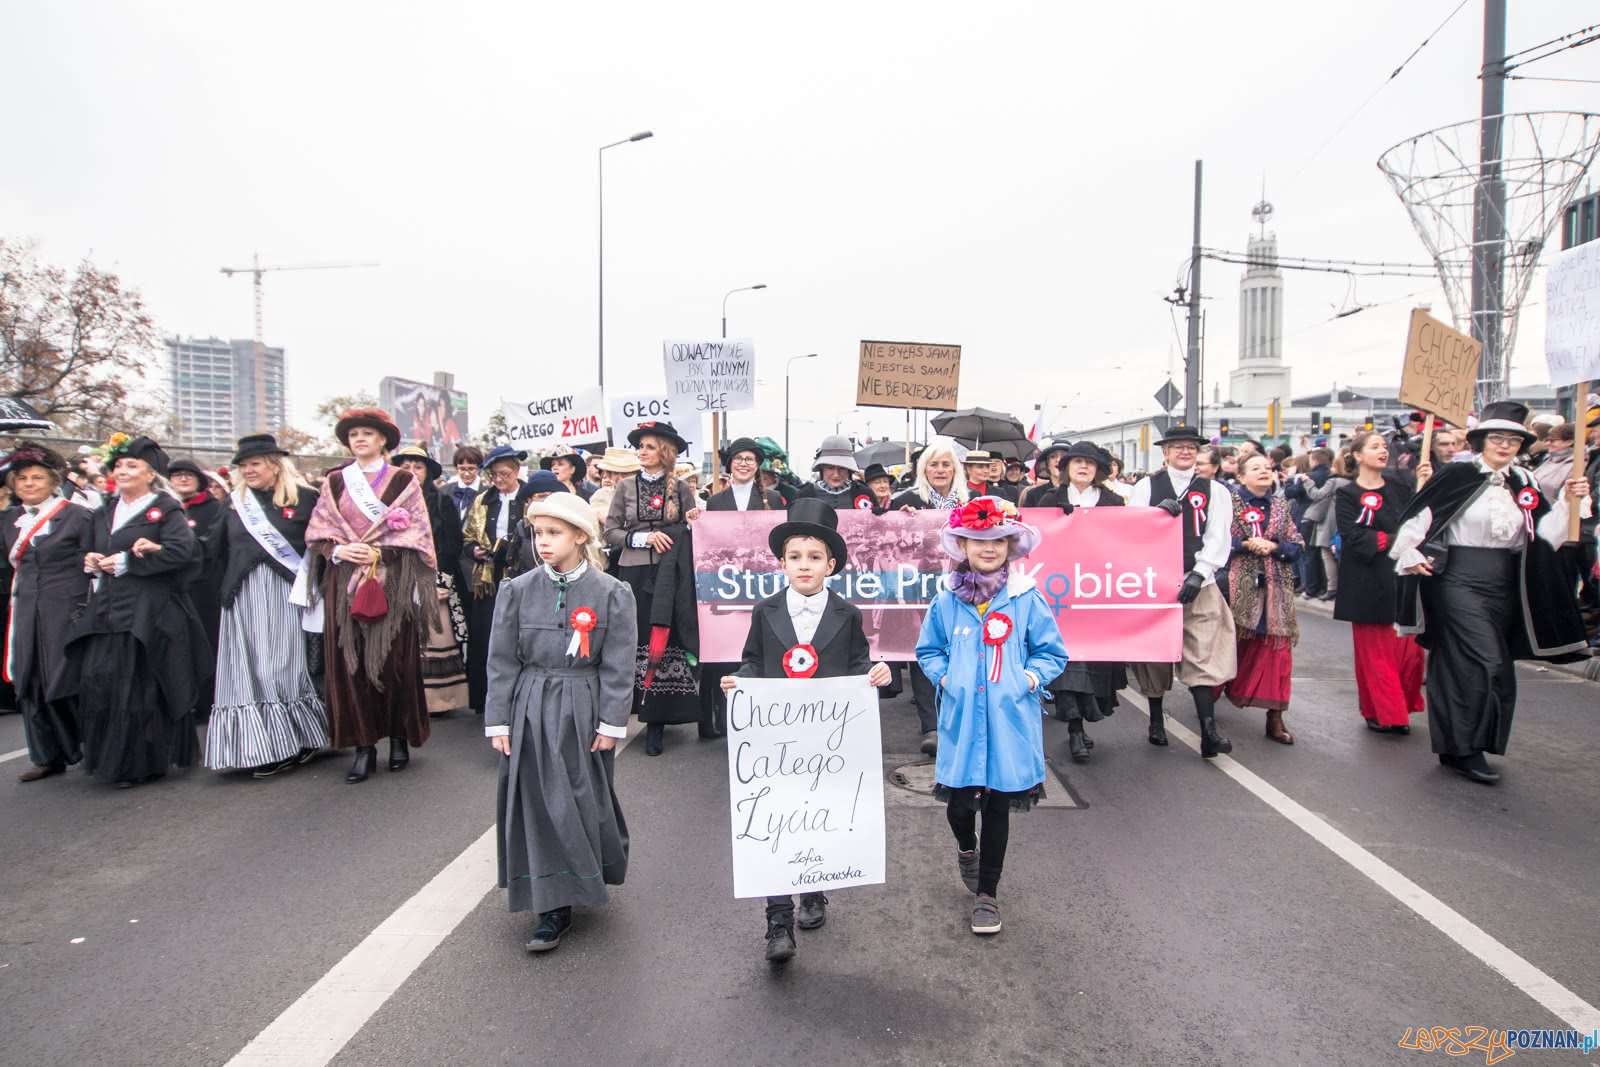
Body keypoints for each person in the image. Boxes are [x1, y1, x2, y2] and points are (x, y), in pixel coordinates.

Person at [720, 498, 892, 962]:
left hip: (827, 740)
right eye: (795, 557)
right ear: (781, 563)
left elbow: (858, 665)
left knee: (818, 813)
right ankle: (778, 920)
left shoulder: (848, 614)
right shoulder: (765, 610)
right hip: (777, 738)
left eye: (815, 558)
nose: (804, 565)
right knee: (776, 816)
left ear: (831, 565)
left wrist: (877, 675)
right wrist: (741, 680)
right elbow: (754, 660)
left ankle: (815, 885)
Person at [1391, 401, 1588, 784]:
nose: (1505, 445)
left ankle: (1458, 745)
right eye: (1497, 437)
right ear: (1481, 440)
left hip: (1505, 582)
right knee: (1483, 659)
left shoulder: (1524, 482)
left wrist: (1571, 501)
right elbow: (1419, 518)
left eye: (1513, 439)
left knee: (1484, 664)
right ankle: (1468, 749)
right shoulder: (1458, 474)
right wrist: (1411, 552)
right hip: (1457, 580)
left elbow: (1545, 534)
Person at [486, 492, 634, 953]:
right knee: (535, 799)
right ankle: (552, 905)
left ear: (580, 536)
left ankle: (587, 875)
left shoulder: (612, 593)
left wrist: (611, 722)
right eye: (537, 533)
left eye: (554, 533)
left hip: (582, 704)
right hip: (531, 702)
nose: (543, 542)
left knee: (578, 795)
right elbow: (501, 661)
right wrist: (499, 721)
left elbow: (618, 664)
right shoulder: (516, 590)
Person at [916, 497, 1068, 936]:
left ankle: (987, 895)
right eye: (978, 540)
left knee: (998, 805)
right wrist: (946, 678)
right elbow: (928, 650)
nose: (988, 548)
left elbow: (1052, 652)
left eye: (998, 541)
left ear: (1010, 546)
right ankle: (967, 847)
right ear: (962, 545)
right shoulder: (946, 600)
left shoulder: (1026, 598)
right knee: (961, 808)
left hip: (1009, 722)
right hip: (962, 722)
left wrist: (1027, 680)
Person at [304, 409, 438, 784]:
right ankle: (363, 745)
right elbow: (319, 531)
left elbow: (419, 535)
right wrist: (338, 551)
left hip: (391, 581)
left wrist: (382, 553)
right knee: (351, 665)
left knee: (394, 660)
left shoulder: (403, 481)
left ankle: (399, 738)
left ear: (383, 440)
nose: (359, 439)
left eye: (367, 433)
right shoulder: (334, 482)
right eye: (354, 434)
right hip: (345, 581)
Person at [69, 435, 208, 787]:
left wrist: (131, 562)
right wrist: (90, 561)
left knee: (138, 686)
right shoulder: (103, 510)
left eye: (132, 466)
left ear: (150, 474)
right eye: (119, 466)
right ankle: (114, 756)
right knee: (101, 682)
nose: (123, 471)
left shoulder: (165, 507)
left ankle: (140, 761)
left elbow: (183, 553)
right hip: (107, 610)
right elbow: (87, 551)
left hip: (147, 612)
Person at [204, 434, 329, 776]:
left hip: (286, 595)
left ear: (275, 465)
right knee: (245, 671)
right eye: (243, 466)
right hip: (242, 597)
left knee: (280, 667)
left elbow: (324, 545)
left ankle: (291, 740)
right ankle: (263, 743)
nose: (248, 470)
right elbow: (211, 548)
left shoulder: (306, 499)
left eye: (255, 463)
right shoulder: (234, 503)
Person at [1127, 425, 1238, 756]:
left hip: (1197, 582)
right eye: (1177, 446)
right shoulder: (1146, 487)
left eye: (1190, 447)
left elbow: (1219, 535)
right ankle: (1156, 719)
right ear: (1165, 452)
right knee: (1155, 655)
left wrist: (1201, 572)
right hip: (1156, 582)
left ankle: (1208, 730)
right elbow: (1130, 530)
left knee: (1202, 650)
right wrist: (1155, 516)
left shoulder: (1215, 491)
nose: (1185, 452)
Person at [603, 421, 702, 756]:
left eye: (647, 446)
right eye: (639, 446)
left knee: (662, 639)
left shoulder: (680, 487)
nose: (641, 452)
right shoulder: (626, 487)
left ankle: (656, 722)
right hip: (633, 571)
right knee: (635, 638)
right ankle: (628, 709)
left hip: (667, 574)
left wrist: (693, 519)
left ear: (664, 450)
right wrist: (641, 537)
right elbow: (610, 531)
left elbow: (693, 528)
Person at [2, 442, 94, 781]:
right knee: (30, 678)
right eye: (21, 478)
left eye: (36, 477)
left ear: (53, 480)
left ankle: (89, 746)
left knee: (68, 676)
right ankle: (46, 756)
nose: (28, 483)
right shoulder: (9, 519)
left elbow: (92, 561)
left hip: (66, 606)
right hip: (25, 606)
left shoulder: (78, 515)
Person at [1031, 442, 1128, 760]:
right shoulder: (1051, 499)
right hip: (1060, 593)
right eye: (1076, 462)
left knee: (1093, 661)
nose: (1082, 467)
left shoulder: (1113, 501)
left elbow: (1129, 539)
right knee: (1066, 660)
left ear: (1099, 469)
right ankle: (1074, 728)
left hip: (1099, 591)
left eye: (1089, 462)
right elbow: (1037, 541)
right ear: (1066, 468)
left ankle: (1083, 719)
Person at [1332, 431, 1423, 735]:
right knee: (1377, 653)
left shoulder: (1401, 485)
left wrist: (1426, 483)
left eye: (1385, 447)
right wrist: (1398, 540)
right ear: (1358, 455)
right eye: (1375, 447)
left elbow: (1419, 519)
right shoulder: (1346, 493)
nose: (1383, 451)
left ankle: (1401, 705)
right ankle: (1382, 712)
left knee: (1410, 651)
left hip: (1402, 575)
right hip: (1367, 579)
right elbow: (1353, 535)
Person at [699, 437, 785, 740]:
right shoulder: (715, 500)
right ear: (730, 464)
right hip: (727, 581)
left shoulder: (772, 499)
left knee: (757, 645)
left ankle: (758, 713)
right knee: (726, 648)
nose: (744, 464)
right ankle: (724, 715)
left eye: (750, 459)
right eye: (739, 459)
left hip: (760, 581)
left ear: (757, 464)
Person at [889, 438, 969, 754]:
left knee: (961, 652)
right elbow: (893, 541)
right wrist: (901, 519)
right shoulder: (908, 499)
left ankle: (959, 723)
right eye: (933, 464)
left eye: (945, 464)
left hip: (963, 589)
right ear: (924, 469)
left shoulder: (970, 500)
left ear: (955, 469)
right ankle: (932, 726)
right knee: (927, 653)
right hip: (921, 590)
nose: (940, 469)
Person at [1218, 453, 1303, 743]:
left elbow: (1297, 543)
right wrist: (1243, 544)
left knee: (1278, 654)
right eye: (1256, 468)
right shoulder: (1227, 503)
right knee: (1233, 645)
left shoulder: (1281, 506)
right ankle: (1216, 690)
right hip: (1238, 587)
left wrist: (1276, 546)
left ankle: (1275, 718)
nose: (1264, 471)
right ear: (1240, 476)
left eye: (1267, 468)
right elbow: (1215, 541)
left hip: (1276, 590)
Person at [394, 445, 469, 717]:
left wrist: (441, 581)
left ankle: (436, 701)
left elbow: (452, 546)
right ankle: (402, 697)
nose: (412, 472)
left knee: (434, 636)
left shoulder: (441, 501)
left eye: (418, 467)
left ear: (427, 472)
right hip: (397, 577)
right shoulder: (386, 501)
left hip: (432, 576)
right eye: (406, 467)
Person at [461, 445, 536, 714]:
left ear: (516, 471)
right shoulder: (483, 500)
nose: (499, 480)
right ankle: (485, 698)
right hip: (488, 578)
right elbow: (468, 535)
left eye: (504, 474)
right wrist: (474, 550)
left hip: (520, 573)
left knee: (518, 634)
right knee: (486, 635)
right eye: (494, 475)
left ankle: (520, 696)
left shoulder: (529, 497)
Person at [168, 456, 226, 719]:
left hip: (204, 586)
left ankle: (207, 700)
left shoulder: (214, 508)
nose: (182, 479)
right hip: (173, 586)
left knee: (206, 641)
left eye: (188, 475)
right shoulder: (165, 508)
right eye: (177, 474)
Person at [1301, 449, 1348, 601]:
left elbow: (1318, 495)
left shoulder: (1334, 482)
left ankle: (1332, 587)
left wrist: (1308, 483)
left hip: (1330, 521)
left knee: (1327, 554)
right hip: (1345, 520)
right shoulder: (1352, 482)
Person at [794, 435, 873, 510]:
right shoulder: (804, 495)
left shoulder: (864, 493)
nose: (836, 474)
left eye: (842, 468)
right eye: (830, 468)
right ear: (822, 467)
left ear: (848, 469)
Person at [588, 447, 639, 543]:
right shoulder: (603, 495)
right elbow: (607, 519)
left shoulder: (646, 492)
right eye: (616, 473)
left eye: (628, 473)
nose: (622, 478)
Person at [1021, 439, 1071, 507]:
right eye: (1053, 456)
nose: (1058, 460)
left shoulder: (1083, 492)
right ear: (1047, 464)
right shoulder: (1033, 494)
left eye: (1064, 456)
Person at [447, 446, 486, 520]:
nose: (466, 474)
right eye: (462, 469)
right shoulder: (444, 492)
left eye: (471, 469)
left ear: (479, 468)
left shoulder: (487, 493)